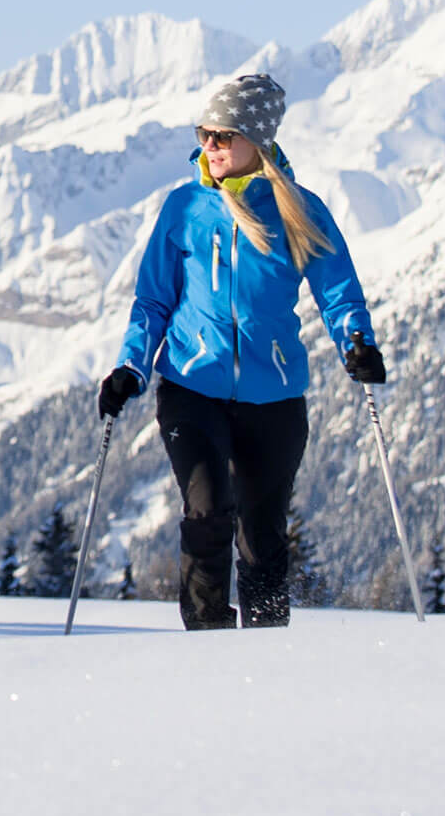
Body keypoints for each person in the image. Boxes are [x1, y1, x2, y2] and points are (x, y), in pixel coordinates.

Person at [97, 72, 382, 630]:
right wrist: (131, 366)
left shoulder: (300, 210)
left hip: (273, 396)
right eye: (205, 134)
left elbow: (338, 291)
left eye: (222, 136)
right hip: (191, 385)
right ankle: (207, 642)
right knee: (206, 512)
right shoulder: (184, 208)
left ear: (257, 140)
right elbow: (153, 301)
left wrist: (356, 344)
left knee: (262, 533)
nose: (210, 146)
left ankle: (267, 651)